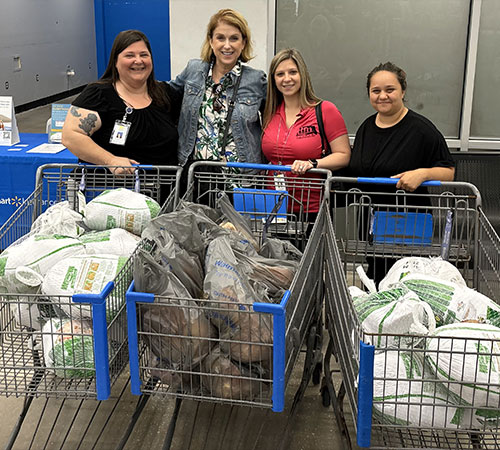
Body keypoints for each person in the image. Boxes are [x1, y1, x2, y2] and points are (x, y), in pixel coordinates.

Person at [347, 61, 455, 283]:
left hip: (409, 221)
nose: (382, 96)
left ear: (403, 91)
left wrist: (423, 173)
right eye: (376, 91)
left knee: (407, 279)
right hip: (372, 220)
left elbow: (448, 171)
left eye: (390, 90)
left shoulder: (421, 130)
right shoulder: (366, 127)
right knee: (376, 275)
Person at [62, 30, 180, 174]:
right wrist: (110, 160)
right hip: (111, 191)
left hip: (165, 190)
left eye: (144, 55)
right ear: (115, 62)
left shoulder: (165, 93)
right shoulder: (98, 94)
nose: (138, 61)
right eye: (129, 55)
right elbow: (71, 136)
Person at [170, 8, 267, 169]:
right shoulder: (193, 70)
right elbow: (163, 96)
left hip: (242, 178)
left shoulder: (257, 80)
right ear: (211, 41)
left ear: (243, 43)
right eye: (220, 38)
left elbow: (278, 119)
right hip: (196, 175)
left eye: (234, 38)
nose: (227, 45)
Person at [261, 48, 351, 214]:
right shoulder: (269, 113)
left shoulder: (325, 110)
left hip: (311, 207)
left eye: (293, 72)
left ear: (303, 75)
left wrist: (313, 163)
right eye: (280, 74)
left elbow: (344, 155)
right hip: (273, 207)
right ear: (273, 80)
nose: (286, 79)